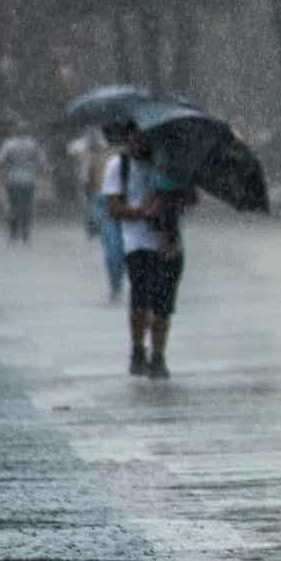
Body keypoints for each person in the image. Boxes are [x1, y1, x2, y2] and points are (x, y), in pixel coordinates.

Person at [102, 122, 195, 379]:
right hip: (137, 244)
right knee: (141, 300)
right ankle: (137, 350)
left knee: (164, 305)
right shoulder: (117, 167)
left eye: (144, 137)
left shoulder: (169, 163)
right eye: (134, 137)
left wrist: (175, 195)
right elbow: (113, 208)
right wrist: (142, 211)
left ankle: (159, 356)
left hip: (169, 242)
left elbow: (190, 199)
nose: (139, 142)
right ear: (128, 137)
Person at [71, 128, 127, 302]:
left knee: (115, 247)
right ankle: (118, 284)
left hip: (112, 202)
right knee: (118, 246)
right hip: (115, 202)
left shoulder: (101, 156)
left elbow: (87, 181)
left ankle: (116, 285)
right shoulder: (126, 155)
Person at [0, 126, 46, 244]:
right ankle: (26, 232)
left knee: (13, 206)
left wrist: (5, 169)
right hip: (29, 180)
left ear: (14, 132)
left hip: (13, 180)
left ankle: (13, 232)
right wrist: (38, 170)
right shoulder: (33, 144)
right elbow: (42, 161)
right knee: (28, 206)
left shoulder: (8, 144)